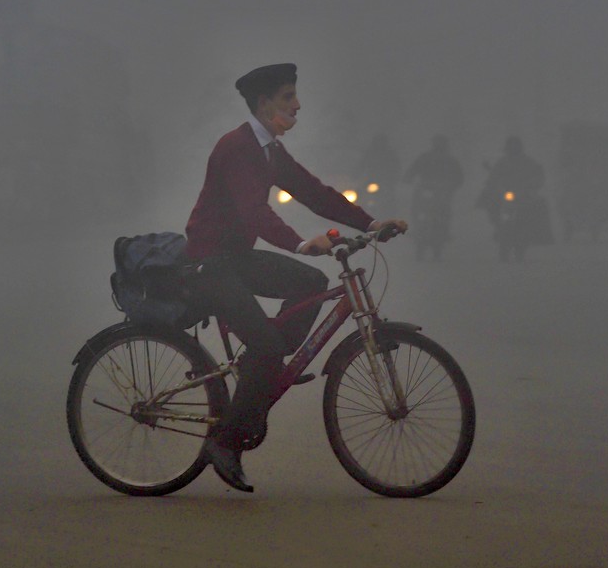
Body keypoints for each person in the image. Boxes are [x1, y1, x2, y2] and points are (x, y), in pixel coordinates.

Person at [182, 63, 407, 493]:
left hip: (236, 257)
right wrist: (301, 243)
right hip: (209, 262)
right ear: (264, 103)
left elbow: (314, 192)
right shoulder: (237, 146)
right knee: (268, 345)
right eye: (288, 97)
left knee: (310, 283)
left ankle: (260, 370)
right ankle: (224, 443)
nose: (297, 105)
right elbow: (254, 212)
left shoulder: (268, 149)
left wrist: (371, 223)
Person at [402, 135, 464, 259]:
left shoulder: (449, 160)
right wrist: (407, 179)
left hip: (442, 193)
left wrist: (450, 187)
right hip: (424, 191)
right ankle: (417, 229)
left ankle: (444, 231)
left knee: (445, 212)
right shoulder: (426, 158)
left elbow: (459, 177)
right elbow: (412, 171)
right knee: (416, 209)